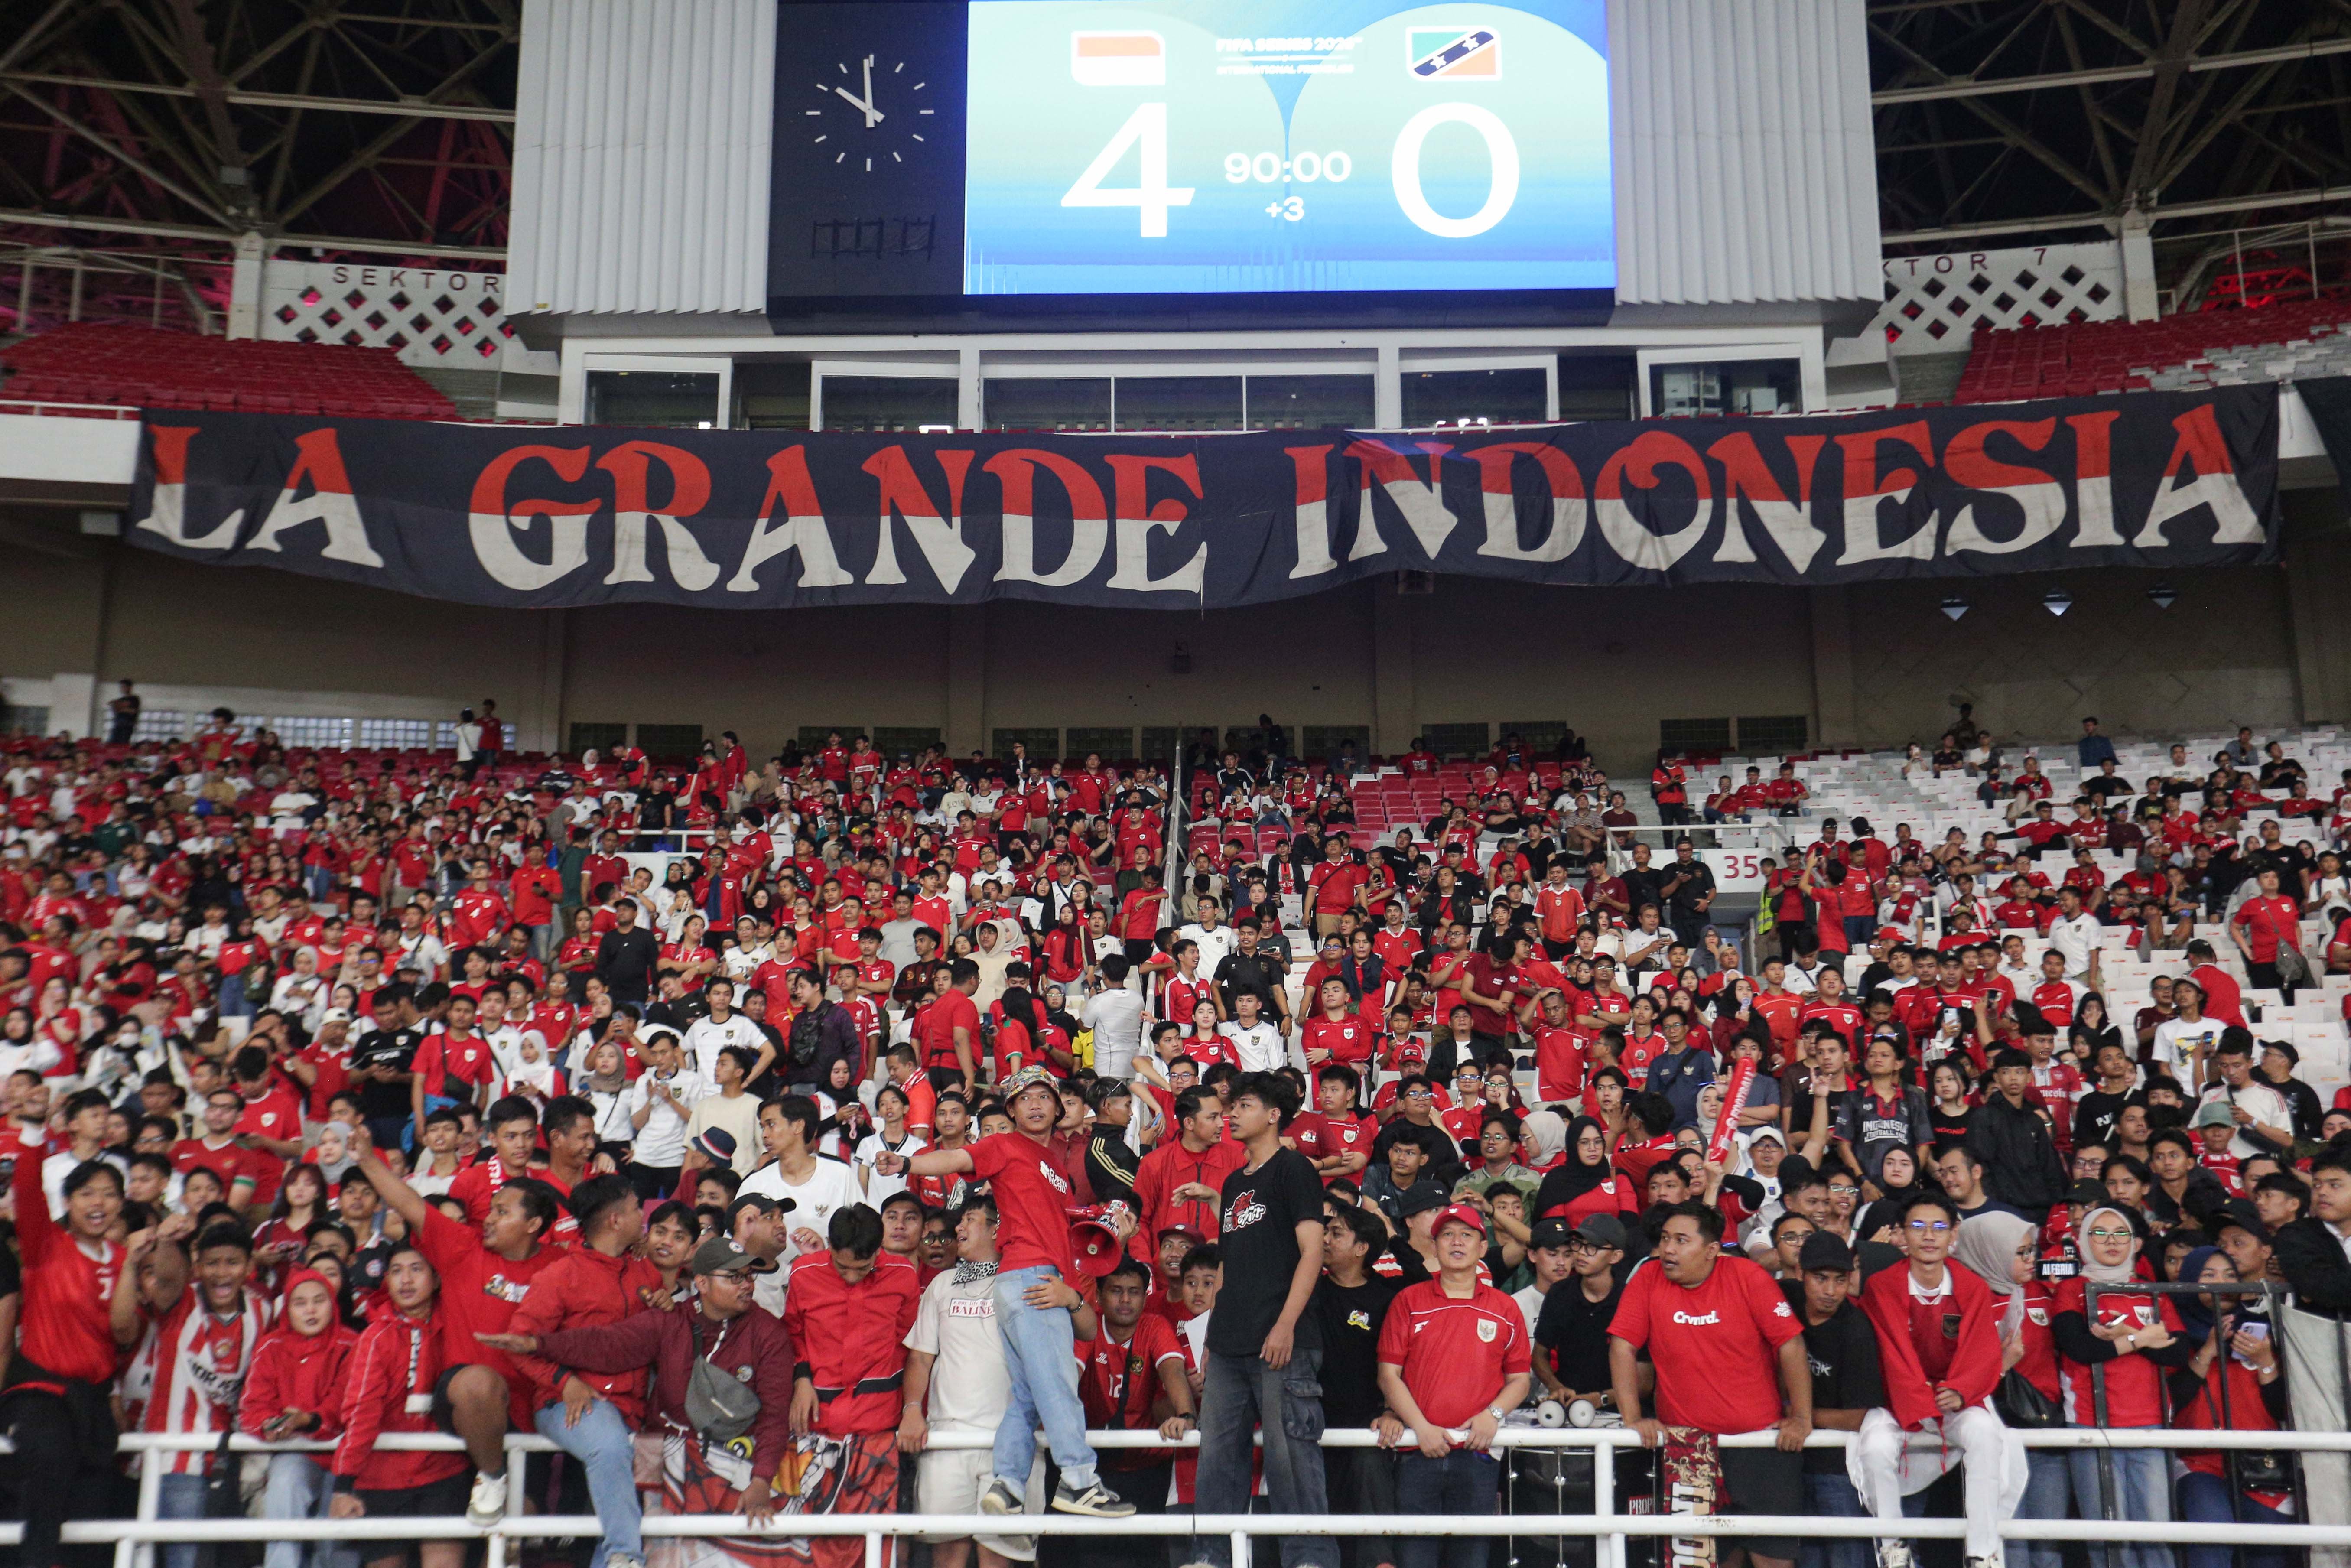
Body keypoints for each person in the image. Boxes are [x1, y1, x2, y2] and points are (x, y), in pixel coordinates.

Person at [876, 1066, 1137, 1518]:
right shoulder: (1003, 1145)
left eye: (1044, 1097)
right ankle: (1078, 1479)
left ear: (1058, 1108)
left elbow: (1059, 1225)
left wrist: (1111, 1228)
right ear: (1012, 1110)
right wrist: (908, 1163)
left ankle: (1008, 1482)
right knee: (1055, 1384)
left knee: (1028, 1395)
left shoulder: (1055, 1165)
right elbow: (957, 1161)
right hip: (1030, 1277)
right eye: (1024, 1098)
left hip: (1031, 1280)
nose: (1035, 1105)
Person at [474, 1236, 796, 1545]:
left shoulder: (769, 1333)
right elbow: (605, 1345)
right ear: (701, 1284)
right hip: (659, 1452)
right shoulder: (669, 1322)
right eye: (735, 1277)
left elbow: (774, 1415)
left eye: (749, 1276)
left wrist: (760, 1480)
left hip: (735, 1458)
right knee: (650, 1546)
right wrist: (537, 1343)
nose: (747, 1285)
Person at [346, 1123, 563, 1529]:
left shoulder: (560, 1267)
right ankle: (493, 1475)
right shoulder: (464, 1247)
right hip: (463, 1401)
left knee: (515, 1535)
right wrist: (367, 1162)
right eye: (491, 1209)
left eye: (502, 1212)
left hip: (527, 1409)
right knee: (478, 1383)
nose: (489, 1219)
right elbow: (409, 1203)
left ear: (533, 1225)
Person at [1608, 1202, 1811, 1568]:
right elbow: (1622, 1346)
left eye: (1681, 1240)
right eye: (1666, 1238)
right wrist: (1633, 1418)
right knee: (1699, 1561)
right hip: (1689, 1450)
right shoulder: (1647, 1278)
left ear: (1712, 1250)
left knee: (1772, 1561)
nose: (1668, 1248)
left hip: (1758, 1446)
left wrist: (1800, 1416)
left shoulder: (1747, 1277)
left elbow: (1791, 1343)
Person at [1191, 1071, 1335, 1568]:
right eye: (1231, 1106)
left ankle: (1309, 1558)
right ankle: (1213, 1557)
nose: (1231, 1113)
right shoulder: (1233, 1182)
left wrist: (1286, 1323)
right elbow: (1226, 1268)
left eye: (1244, 1104)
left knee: (1290, 1456)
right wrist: (1211, 1337)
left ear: (1273, 1114)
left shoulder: (1294, 1169)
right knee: (1216, 1459)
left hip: (1282, 1339)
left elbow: (1313, 1251)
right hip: (1230, 1341)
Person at [1851, 1193, 2021, 1568]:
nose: (1928, 1236)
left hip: (1954, 1397)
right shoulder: (1881, 1286)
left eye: (1939, 1227)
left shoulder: (1971, 1286)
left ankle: (1983, 1551)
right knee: (1876, 1447)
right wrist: (1920, 1396)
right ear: (1901, 1235)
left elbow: (1981, 1351)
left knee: (1985, 1435)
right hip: (1897, 1400)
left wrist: (1961, 1390)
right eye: (1917, 1226)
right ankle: (1892, 1546)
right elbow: (1889, 1354)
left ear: (1953, 1234)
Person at [504, 1174, 663, 1568]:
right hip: (568, 1402)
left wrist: (664, 1306)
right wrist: (565, 1382)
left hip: (634, 1409)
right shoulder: (561, 1275)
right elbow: (518, 1343)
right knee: (610, 1449)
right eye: (635, 1209)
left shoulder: (646, 1273)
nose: (642, 1216)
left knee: (637, 1485)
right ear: (615, 1220)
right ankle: (625, 1557)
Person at [1375, 1202, 1533, 1568]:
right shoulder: (1408, 1301)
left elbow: (1519, 1380)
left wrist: (1492, 1415)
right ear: (1434, 1246)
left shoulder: (1504, 1307)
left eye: (1467, 1234)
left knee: (1471, 1559)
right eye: (1447, 1234)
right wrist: (1421, 1428)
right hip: (1417, 1452)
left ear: (1482, 1247)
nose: (1456, 1242)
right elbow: (1387, 1375)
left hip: (1477, 1454)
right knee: (1415, 1558)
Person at [2, 1151, 128, 1568]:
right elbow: (27, 1190)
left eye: (109, 1194)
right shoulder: (44, 1245)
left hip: (92, 1401)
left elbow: (126, 1338)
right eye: (87, 1193)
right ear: (68, 1202)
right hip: (38, 1393)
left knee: (93, 1504)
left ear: (122, 1204)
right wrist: (35, 1133)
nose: (98, 1203)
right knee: (51, 1456)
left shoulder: (126, 1261)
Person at [2054, 1206, 2195, 1568]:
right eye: (2099, 1233)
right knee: (2107, 1538)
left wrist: (2125, 1337)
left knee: (2157, 1536)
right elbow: (2080, 1347)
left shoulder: (2150, 1291)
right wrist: (2143, 1337)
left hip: (2150, 1424)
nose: (2111, 1241)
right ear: (2083, 1241)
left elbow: (2178, 1351)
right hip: (2090, 1422)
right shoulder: (2072, 1289)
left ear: (2135, 1243)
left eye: (2120, 1233)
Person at [784, 1204, 923, 1568]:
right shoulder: (802, 1274)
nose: (850, 1277)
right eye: (841, 1266)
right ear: (829, 1244)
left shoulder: (904, 1275)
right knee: (805, 1546)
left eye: (861, 1269)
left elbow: (908, 1344)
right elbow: (793, 1335)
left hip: (879, 1427)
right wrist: (801, 1378)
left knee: (883, 1548)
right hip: (814, 1424)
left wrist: (912, 1409)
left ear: (880, 1250)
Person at [328, 1241, 470, 1568]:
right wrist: (343, 1485)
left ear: (436, 1279)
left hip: (443, 1471)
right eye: (396, 1271)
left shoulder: (459, 1326)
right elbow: (361, 1413)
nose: (405, 1280)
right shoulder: (376, 1337)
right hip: (381, 1477)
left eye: (416, 1269)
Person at [241, 1266, 361, 1568]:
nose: (310, 1310)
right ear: (287, 1310)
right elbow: (254, 1405)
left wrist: (307, 1420)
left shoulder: (353, 1344)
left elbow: (345, 1403)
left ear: (332, 1305)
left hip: (346, 1456)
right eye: (300, 1303)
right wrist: (271, 1424)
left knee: (336, 1532)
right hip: (295, 1450)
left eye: (319, 1301)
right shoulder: (271, 1346)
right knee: (285, 1481)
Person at [1783, 1232, 1883, 1568]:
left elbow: (1858, 1417)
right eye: (1820, 1279)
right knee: (1808, 1559)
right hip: (1791, 1462)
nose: (1830, 1291)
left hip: (1837, 1469)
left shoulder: (1855, 1330)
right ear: (1800, 1273)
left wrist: (1798, 1416)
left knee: (1845, 1559)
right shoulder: (1785, 1298)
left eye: (1840, 1281)